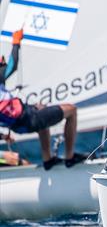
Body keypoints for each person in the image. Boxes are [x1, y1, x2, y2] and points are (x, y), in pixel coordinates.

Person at [0, 29, 86, 170]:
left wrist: (3, 137)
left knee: (42, 113)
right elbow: (12, 64)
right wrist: (16, 42)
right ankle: (70, 157)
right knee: (71, 110)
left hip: (20, 125)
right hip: (28, 119)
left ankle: (48, 160)